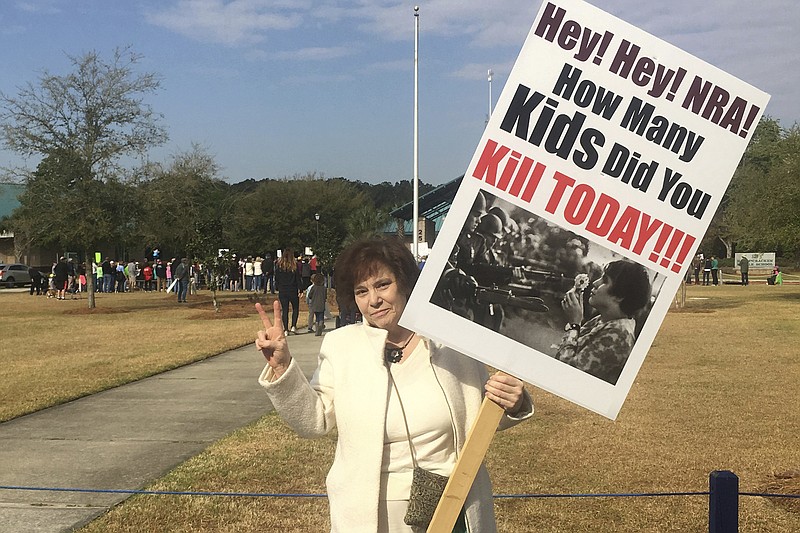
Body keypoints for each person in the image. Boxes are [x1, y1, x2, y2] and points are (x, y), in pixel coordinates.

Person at [254, 236, 533, 532]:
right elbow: (313, 421)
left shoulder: (451, 342)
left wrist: (514, 402)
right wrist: (283, 367)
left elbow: (483, 413)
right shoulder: (341, 345)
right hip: (372, 513)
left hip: (454, 505)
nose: (373, 300)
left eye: (382, 285)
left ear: (405, 283)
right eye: (361, 291)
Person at [556, 260, 651, 385]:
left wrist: (574, 324)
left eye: (605, 280)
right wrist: (577, 320)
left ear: (619, 296)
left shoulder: (619, 336)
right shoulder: (605, 320)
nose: (595, 283)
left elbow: (565, 373)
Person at [274, 250, 302, 335]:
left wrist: (277, 287)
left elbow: (276, 278)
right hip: (292, 289)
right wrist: (300, 289)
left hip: (283, 290)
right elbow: (298, 278)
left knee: (285, 310)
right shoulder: (294, 266)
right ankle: (293, 326)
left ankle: (285, 329)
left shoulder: (279, 266)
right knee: (295, 308)